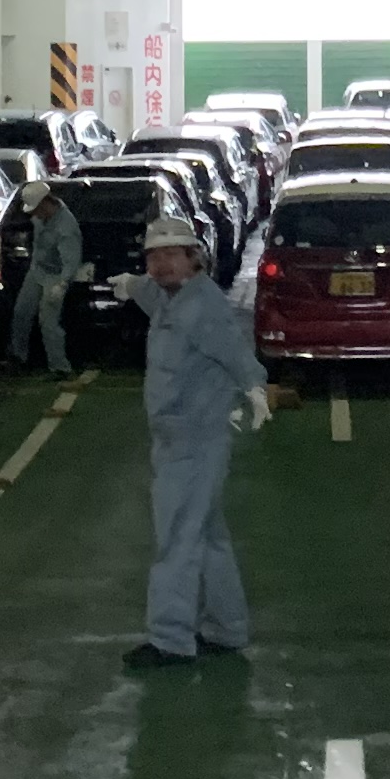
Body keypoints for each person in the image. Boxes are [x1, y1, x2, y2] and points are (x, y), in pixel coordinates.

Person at [119, 212, 266, 672]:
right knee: (207, 536)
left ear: (194, 258)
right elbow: (154, 297)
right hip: (176, 439)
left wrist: (255, 389)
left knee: (176, 542)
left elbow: (234, 350)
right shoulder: (172, 297)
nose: (161, 264)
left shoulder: (203, 306)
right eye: (154, 257)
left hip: (194, 442)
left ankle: (170, 639)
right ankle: (227, 627)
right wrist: (131, 285)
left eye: (172, 255)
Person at [15, 176, 84, 379]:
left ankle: (60, 367)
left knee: (48, 322)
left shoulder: (66, 227)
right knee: (21, 312)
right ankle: (18, 357)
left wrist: (61, 284)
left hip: (56, 276)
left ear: (46, 203)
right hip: (37, 270)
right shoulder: (40, 218)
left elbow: (71, 260)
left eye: (36, 209)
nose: (34, 214)